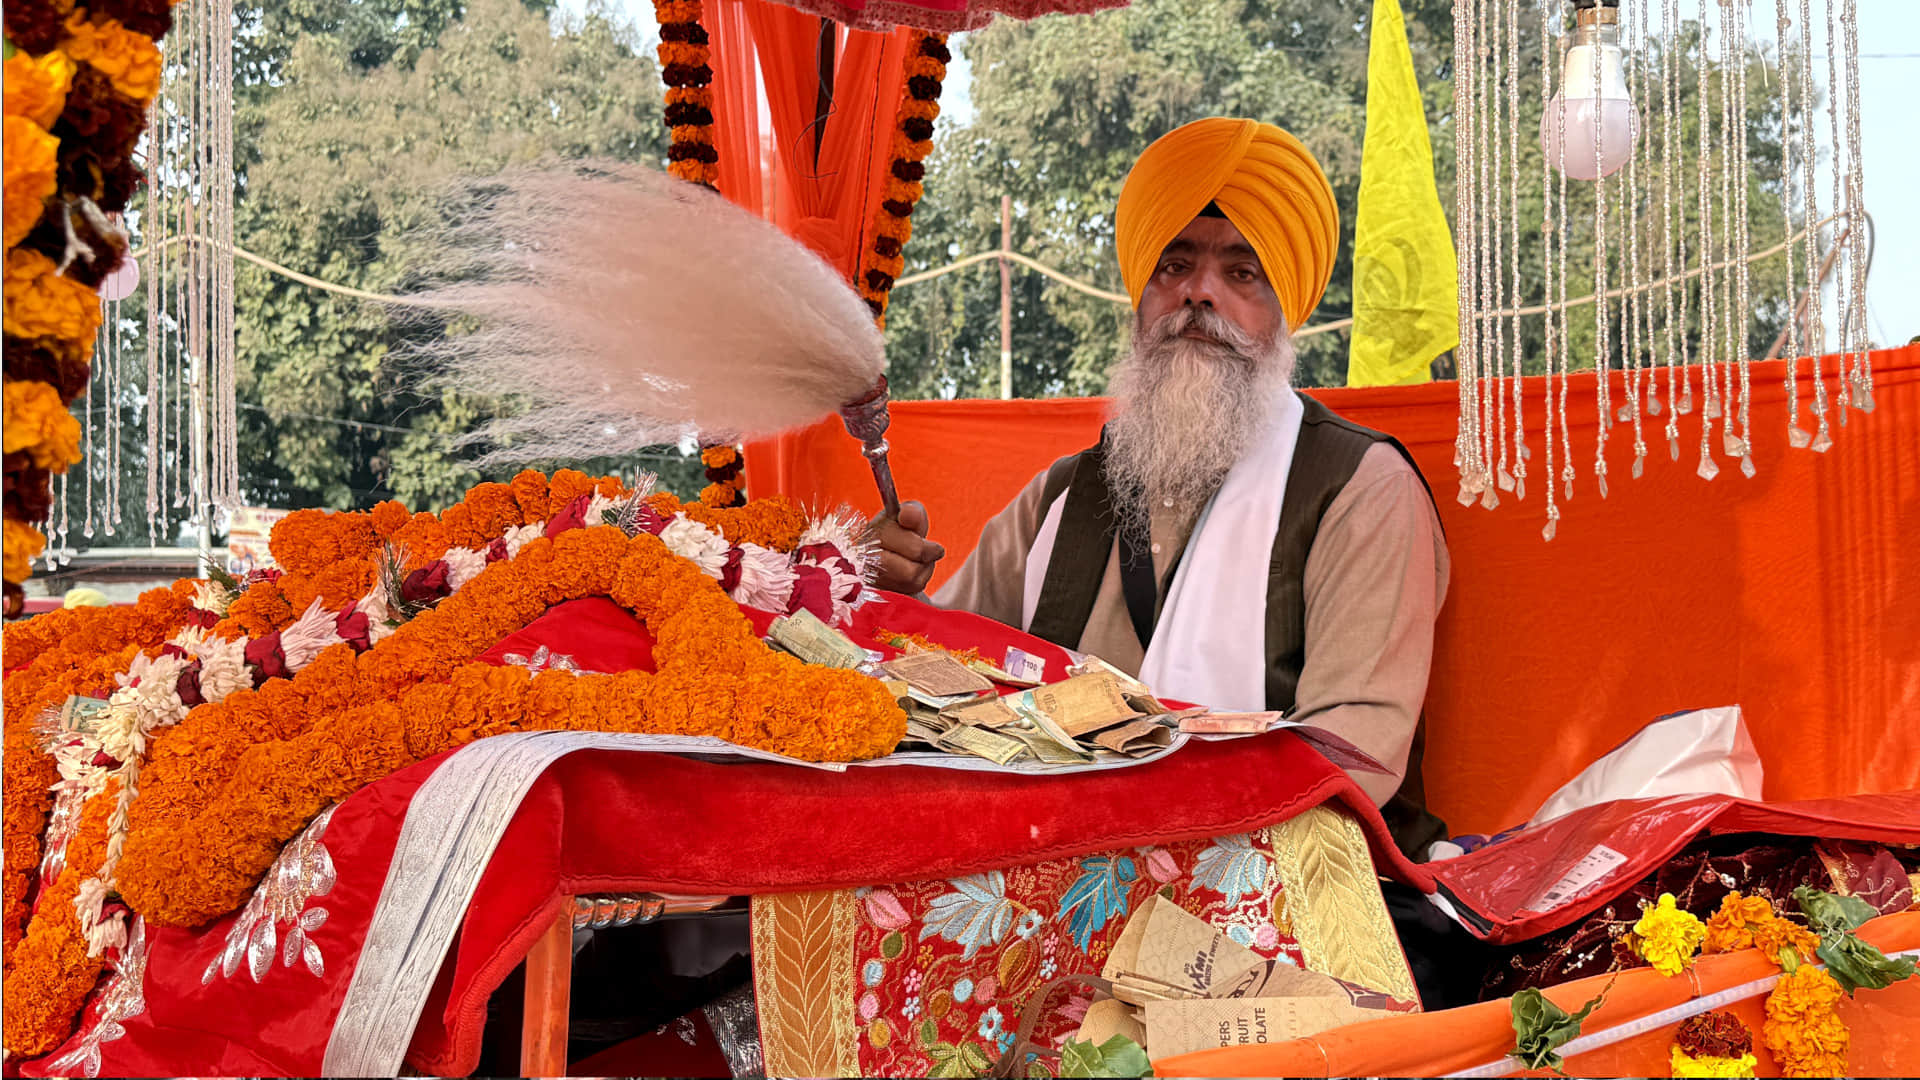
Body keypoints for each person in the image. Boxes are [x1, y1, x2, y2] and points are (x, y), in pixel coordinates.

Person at [870, 117, 1451, 862]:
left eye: (1242, 274)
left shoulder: (1358, 489)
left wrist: (1142, 853)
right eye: (1173, 265)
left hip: (1282, 896)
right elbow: (933, 691)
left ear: (1284, 314)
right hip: (1045, 882)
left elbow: (1350, 765)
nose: (1199, 294)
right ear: (1142, 299)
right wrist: (879, 598)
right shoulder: (1061, 498)